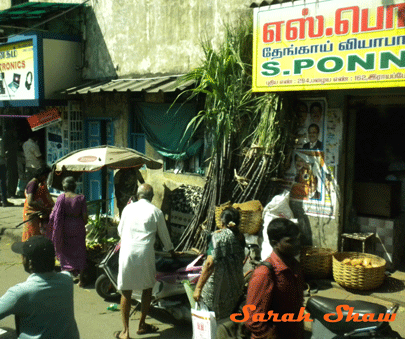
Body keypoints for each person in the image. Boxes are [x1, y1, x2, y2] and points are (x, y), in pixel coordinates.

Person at [115, 183, 175, 339]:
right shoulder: (156, 211)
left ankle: (125, 331)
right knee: (147, 289)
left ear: (137, 194)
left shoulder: (128, 209)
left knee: (126, 291)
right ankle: (142, 324)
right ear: (152, 196)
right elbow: (165, 237)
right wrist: (172, 251)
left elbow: (120, 231)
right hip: (145, 253)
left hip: (127, 252)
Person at [0, 235, 80, 338]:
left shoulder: (20, 293)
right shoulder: (67, 280)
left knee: (6, 333)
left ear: (29, 262)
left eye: (23, 256)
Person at [245, 218, 304, 339]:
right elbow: (253, 319)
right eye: (290, 241)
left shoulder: (294, 266)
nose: (297, 244)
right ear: (274, 243)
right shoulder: (264, 274)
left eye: (298, 239)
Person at [193, 207, 245, 320]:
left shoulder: (216, 237)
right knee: (228, 318)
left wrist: (198, 288)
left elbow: (209, 264)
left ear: (222, 222)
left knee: (212, 319)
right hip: (234, 287)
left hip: (218, 287)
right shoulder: (241, 237)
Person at [49, 176, 88, 287]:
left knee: (65, 251)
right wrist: (80, 223)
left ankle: (66, 277)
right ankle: (81, 280)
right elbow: (85, 217)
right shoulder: (81, 198)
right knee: (80, 251)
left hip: (64, 227)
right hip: (78, 227)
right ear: (74, 187)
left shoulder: (61, 198)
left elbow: (54, 215)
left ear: (64, 187)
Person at [22, 165, 54, 241]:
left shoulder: (37, 184)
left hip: (35, 213)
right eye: (45, 176)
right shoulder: (33, 184)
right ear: (41, 175)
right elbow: (30, 202)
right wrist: (45, 209)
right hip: (31, 214)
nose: (46, 178)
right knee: (32, 234)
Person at [0, 125, 14, 207]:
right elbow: (2, 153)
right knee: (3, 182)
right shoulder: (1, 140)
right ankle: (4, 201)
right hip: (1, 163)